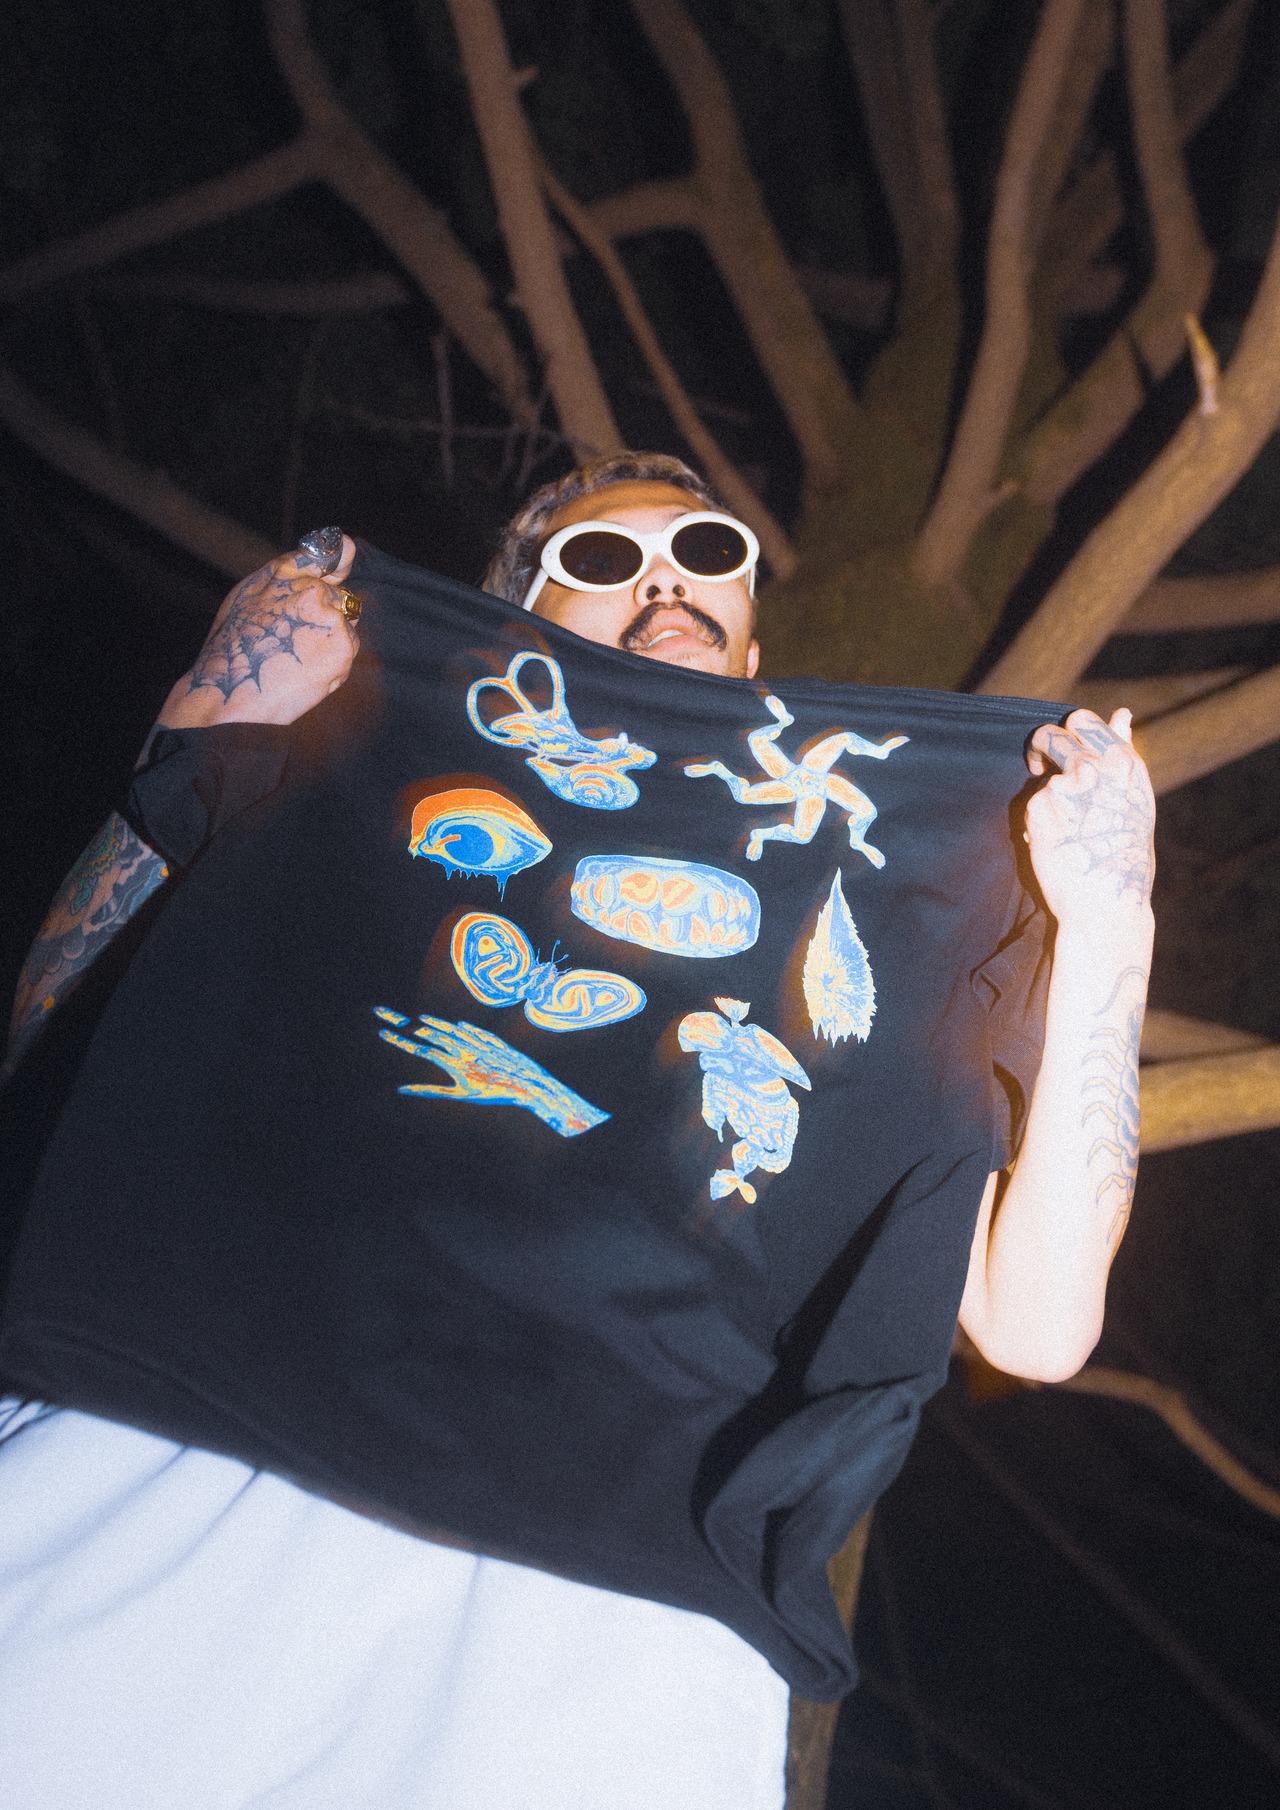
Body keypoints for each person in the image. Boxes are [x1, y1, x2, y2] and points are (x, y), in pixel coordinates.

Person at [0, 452, 1155, 1809]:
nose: (665, 580)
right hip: (183, 1440)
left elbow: (1038, 1325)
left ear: (754, 637)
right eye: (602, 561)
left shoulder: (892, 895)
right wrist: (209, 731)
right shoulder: (361, 746)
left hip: (613, 1609)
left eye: (706, 548)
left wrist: (1111, 926)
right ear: (517, 625)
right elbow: (50, 1032)